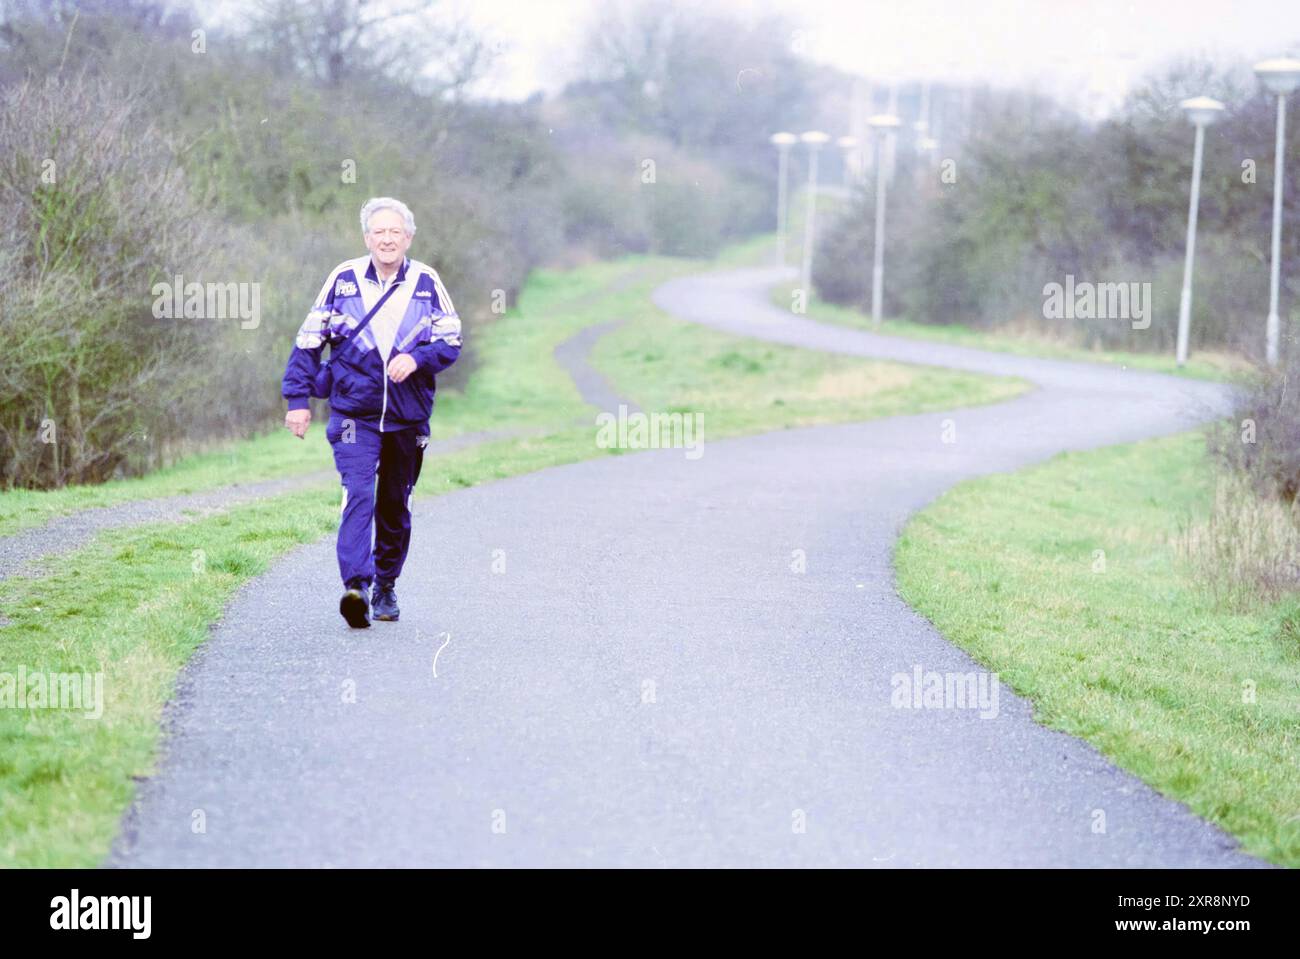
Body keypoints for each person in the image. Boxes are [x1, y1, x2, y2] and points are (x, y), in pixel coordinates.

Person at [281, 197, 461, 628]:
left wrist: (418, 359)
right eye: (378, 232)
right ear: (367, 238)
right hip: (352, 416)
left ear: (408, 238)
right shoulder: (342, 280)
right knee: (358, 493)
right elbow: (309, 340)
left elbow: (451, 341)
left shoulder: (426, 281)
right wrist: (298, 402)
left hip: (408, 417)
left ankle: (385, 585)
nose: (386, 239)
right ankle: (355, 588)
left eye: (394, 232)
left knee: (395, 504)